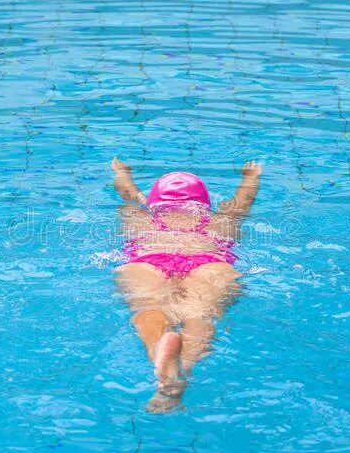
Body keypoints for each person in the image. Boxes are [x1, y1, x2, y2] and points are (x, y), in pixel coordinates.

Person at [111, 157, 262, 413]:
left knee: (150, 310)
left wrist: (122, 173)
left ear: (154, 202)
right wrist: (251, 177)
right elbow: (243, 202)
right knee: (199, 315)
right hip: (209, 263)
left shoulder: (140, 218)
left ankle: (162, 358)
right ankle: (182, 370)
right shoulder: (221, 220)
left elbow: (128, 195)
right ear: (204, 204)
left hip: (148, 262)